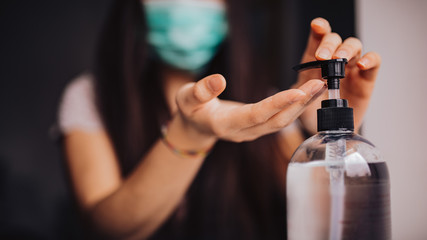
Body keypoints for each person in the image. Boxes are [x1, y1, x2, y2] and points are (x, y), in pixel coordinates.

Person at [58, 0, 381, 239]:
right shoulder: (90, 97)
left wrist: (324, 134)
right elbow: (109, 228)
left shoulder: (267, 103)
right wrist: (191, 133)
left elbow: (325, 222)